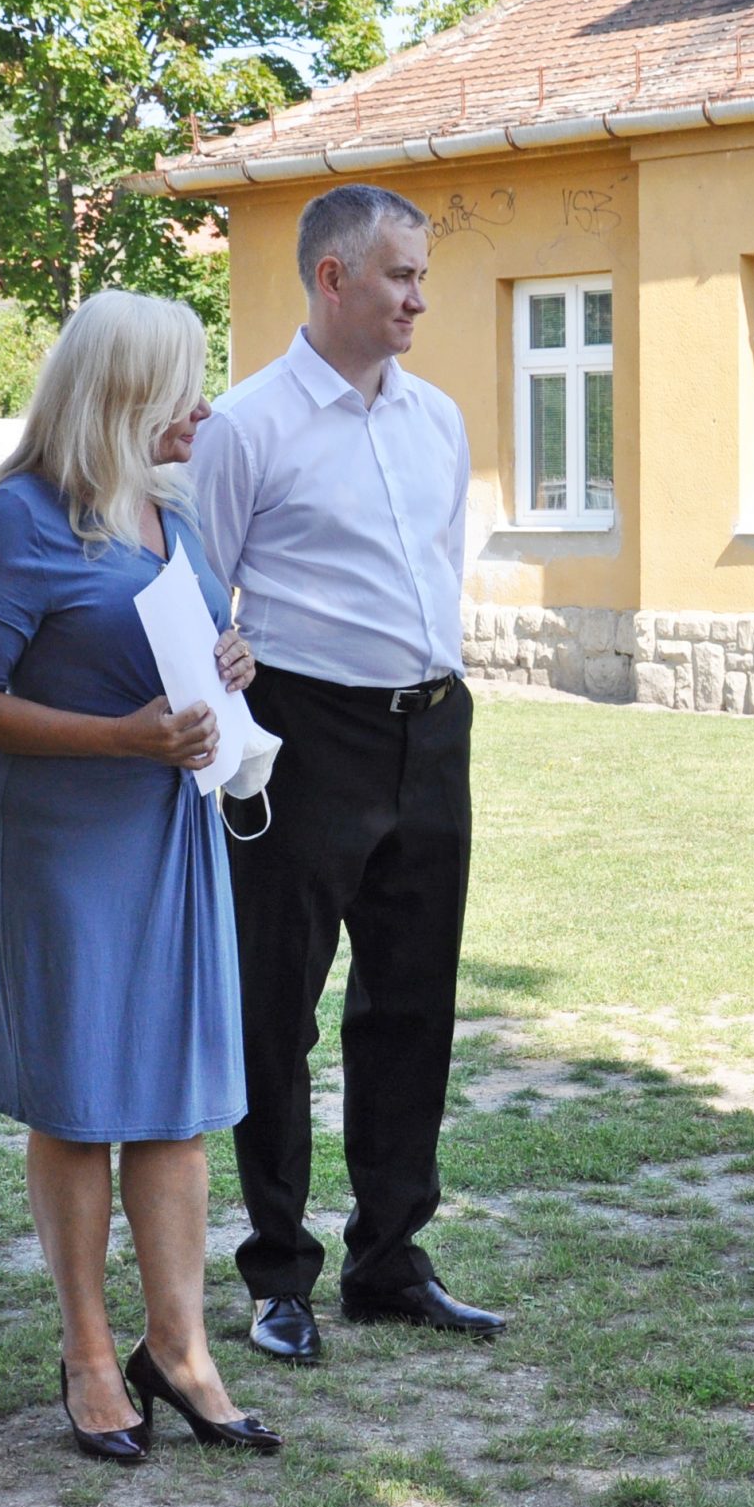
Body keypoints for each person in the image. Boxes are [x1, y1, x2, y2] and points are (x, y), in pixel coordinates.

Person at [0, 290, 280, 1458]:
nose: (205, 408)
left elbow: (176, 648)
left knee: (178, 1102)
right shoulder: (20, 519)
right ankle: (88, 1351)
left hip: (171, 833)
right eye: (186, 385)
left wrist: (230, 661)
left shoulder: (166, 509)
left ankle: (178, 1348)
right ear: (123, 395)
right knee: (82, 1105)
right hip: (67, 847)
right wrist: (123, 736)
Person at [184, 183, 502, 1364]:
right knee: (277, 1008)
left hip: (431, 728)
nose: (418, 298)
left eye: (422, 276)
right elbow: (199, 592)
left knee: (412, 1003)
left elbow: (436, 564)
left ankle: (388, 1258)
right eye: (399, 275)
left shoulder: (437, 418)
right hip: (304, 733)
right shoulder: (246, 425)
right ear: (332, 278)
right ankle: (279, 1272)